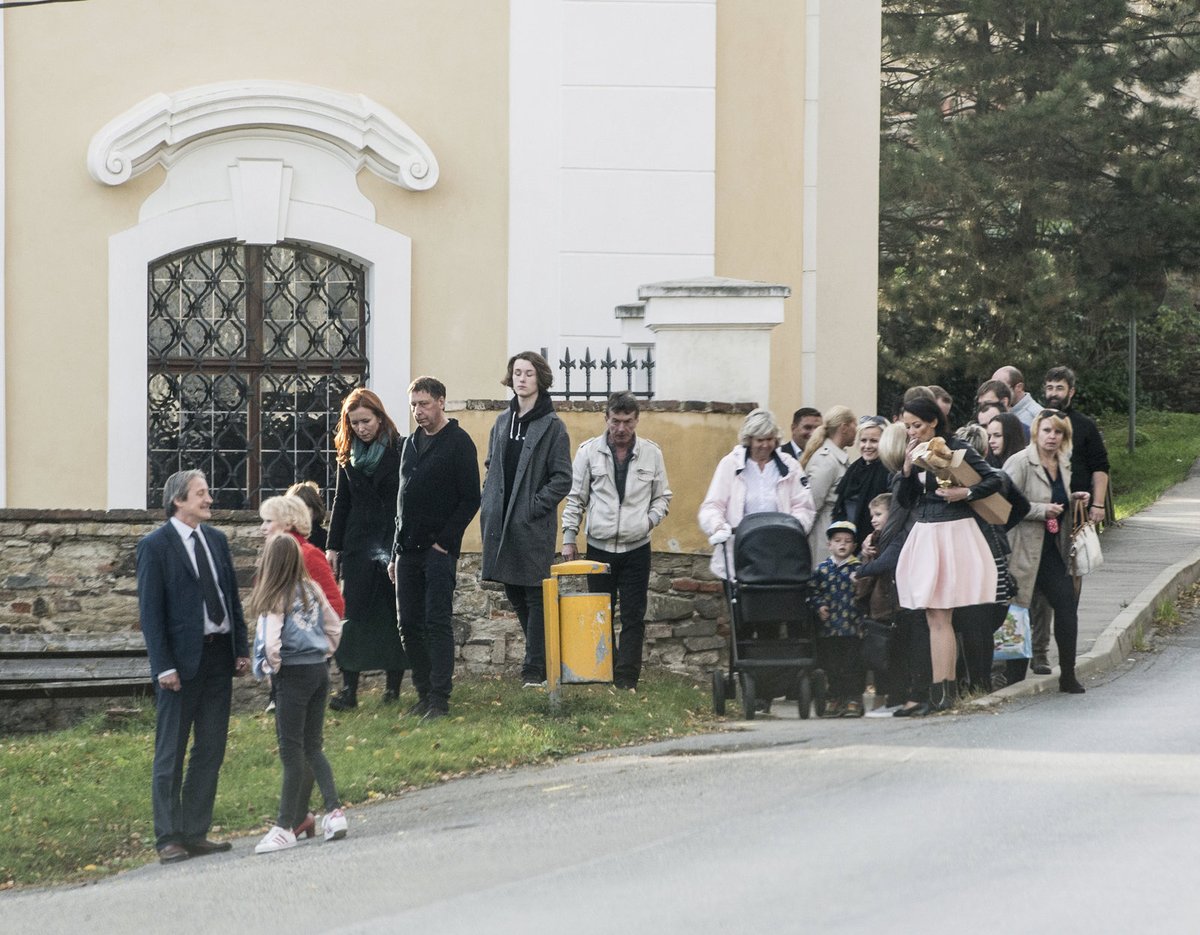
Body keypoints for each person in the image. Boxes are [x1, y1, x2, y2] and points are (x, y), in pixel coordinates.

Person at [136, 469, 250, 864]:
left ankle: (195, 832)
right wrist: (162, 666)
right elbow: (150, 615)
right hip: (180, 666)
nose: (209, 499)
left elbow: (230, 599)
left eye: (208, 492)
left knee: (210, 749)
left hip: (219, 658)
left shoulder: (216, 540)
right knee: (170, 752)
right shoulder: (156, 546)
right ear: (178, 501)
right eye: (201, 494)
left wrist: (241, 648)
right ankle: (169, 837)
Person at [895, 396, 1002, 714]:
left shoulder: (957, 448)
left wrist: (965, 493)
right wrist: (906, 468)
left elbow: (994, 479)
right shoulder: (914, 451)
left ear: (932, 422)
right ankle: (941, 690)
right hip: (927, 531)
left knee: (943, 612)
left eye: (916, 425)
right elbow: (905, 501)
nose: (912, 431)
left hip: (953, 532)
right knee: (933, 614)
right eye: (907, 426)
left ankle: (946, 690)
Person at [561, 392, 672, 691]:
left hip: (637, 547)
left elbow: (662, 497)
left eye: (627, 422)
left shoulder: (652, 453)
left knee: (634, 615)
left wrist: (647, 521)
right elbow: (576, 498)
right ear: (606, 419)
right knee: (601, 612)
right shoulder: (587, 452)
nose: (621, 428)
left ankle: (626, 680)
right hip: (599, 547)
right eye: (615, 421)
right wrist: (569, 537)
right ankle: (606, 671)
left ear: (636, 421)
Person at [389, 376, 481, 720]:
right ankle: (423, 692)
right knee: (408, 624)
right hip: (406, 550)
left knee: (436, 621)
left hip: (438, 550)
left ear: (441, 401)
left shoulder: (458, 442)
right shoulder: (410, 444)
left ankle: (440, 699)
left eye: (424, 403)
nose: (418, 411)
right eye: (413, 404)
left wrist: (445, 542)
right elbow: (400, 500)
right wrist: (394, 549)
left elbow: (471, 498)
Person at [249, 534, 347, 854]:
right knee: (313, 747)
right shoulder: (312, 589)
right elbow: (334, 625)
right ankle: (334, 812)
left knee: (291, 753)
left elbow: (270, 642)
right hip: (318, 670)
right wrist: (325, 652)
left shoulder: (275, 594)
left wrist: (271, 669)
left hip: (291, 674)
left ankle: (283, 826)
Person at [480, 351, 572, 687]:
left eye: (528, 373)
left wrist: (534, 506)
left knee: (534, 591)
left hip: (532, 523)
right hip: (502, 521)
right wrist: (489, 499)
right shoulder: (502, 421)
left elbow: (562, 478)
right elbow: (492, 464)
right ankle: (543, 655)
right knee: (512, 588)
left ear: (540, 379)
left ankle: (534, 669)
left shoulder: (553, 426)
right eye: (517, 372)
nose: (521, 379)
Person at [325, 389, 406, 710]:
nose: (361, 428)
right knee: (353, 617)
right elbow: (341, 501)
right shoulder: (347, 453)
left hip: (390, 541)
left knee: (391, 615)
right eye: (354, 422)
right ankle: (349, 690)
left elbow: (406, 498)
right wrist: (333, 546)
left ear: (380, 417)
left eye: (366, 421)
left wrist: (401, 543)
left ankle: (393, 689)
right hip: (358, 545)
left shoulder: (400, 449)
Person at [1004, 409, 1090, 694]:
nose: (1052, 437)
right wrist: (1042, 510)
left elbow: (1062, 498)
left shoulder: (1064, 463)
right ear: (1036, 433)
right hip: (1023, 549)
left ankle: (1067, 674)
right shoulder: (1020, 463)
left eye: (1058, 432)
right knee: (1019, 611)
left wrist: (1076, 498)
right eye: (1047, 431)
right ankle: (1012, 678)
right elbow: (1003, 504)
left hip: (1054, 549)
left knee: (1066, 606)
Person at [698, 408, 816, 580]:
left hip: (780, 551)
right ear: (749, 440)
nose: (766, 445)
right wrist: (718, 526)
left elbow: (804, 506)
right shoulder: (731, 465)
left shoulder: (790, 466)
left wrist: (793, 529)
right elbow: (713, 505)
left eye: (770, 439)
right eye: (760, 440)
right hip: (741, 551)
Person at [812, 520, 865, 717]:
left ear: (854, 546)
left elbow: (864, 596)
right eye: (837, 540)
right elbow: (812, 592)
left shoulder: (858, 568)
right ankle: (834, 698)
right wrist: (819, 606)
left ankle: (853, 699)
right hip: (829, 629)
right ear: (829, 544)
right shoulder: (822, 569)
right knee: (832, 665)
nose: (842, 545)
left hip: (852, 627)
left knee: (852, 664)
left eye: (847, 541)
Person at [800, 406, 857, 562]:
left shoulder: (837, 457)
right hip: (824, 534)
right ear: (844, 428)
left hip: (838, 531)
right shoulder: (826, 460)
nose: (856, 430)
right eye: (854, 425)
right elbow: (813, 503)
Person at [831, 415, 890, 545]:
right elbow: (840, 508)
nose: (867, 446)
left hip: (876, 542)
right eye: (863, 440)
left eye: (874, 441)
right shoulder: (853, 469)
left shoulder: (889, 470)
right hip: (849, 542)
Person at [287, 481, 330, 552]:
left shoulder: (324, 538)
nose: (300, 513)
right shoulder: (285, 536)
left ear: (315, 510)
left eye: (304, 508)